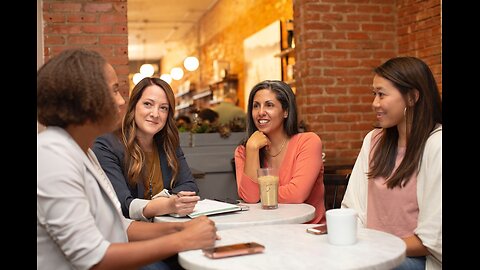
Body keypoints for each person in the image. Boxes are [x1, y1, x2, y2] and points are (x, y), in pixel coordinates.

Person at [37, 48, 217, 270]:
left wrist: (179, 229)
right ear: (85, 99)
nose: (122, 101)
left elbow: (121, 225)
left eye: (163, 108)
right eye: (113, 91)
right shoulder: (51, 156)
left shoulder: (84, 153)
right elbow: (92, 259)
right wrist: (181, 240)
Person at [341, 56, 442, 270]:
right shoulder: (374, 140)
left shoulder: (437, 145)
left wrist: (373, 249)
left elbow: (432, 240)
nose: (374, 103)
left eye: (382, 94)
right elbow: (353, 208)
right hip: (370, 252)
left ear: (412, 97)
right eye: (373, 94)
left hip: (416, 260)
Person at [92, 77, 200, 221]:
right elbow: (122, 204)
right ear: (134, 106)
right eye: (148, 104)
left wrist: (164, 199)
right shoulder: (107, 146)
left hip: (166, 228)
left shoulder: (168, 143)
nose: (155, 114)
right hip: (128, 235)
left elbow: (190, 186)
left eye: (163, 108)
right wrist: (167, 204)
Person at [234, 80, 326, 224]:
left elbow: (297, 195)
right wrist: (252, 149)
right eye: (256, 106)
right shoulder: (244, 151)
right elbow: (250, 198)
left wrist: (261, 194)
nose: (260, 112)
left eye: (269, 105)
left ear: (286, 111)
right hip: (267, 230)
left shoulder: (308, 142)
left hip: (307, 232)